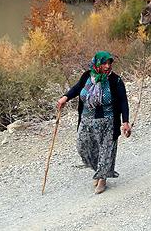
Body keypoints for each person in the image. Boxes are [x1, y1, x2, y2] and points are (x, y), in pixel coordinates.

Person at [56, 51, 131, 194]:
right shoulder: (87, 76)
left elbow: (123, 102)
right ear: (97, 64)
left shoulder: (116, 81)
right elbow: (77, 88)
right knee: (82, 147)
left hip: (108, 122)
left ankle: (102, 178)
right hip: (87, 121)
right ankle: (99, 170)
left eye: (109, 63)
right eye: (104, 63)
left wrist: (125, 122)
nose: (108, 66)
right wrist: (65, 98)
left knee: (106, 150)